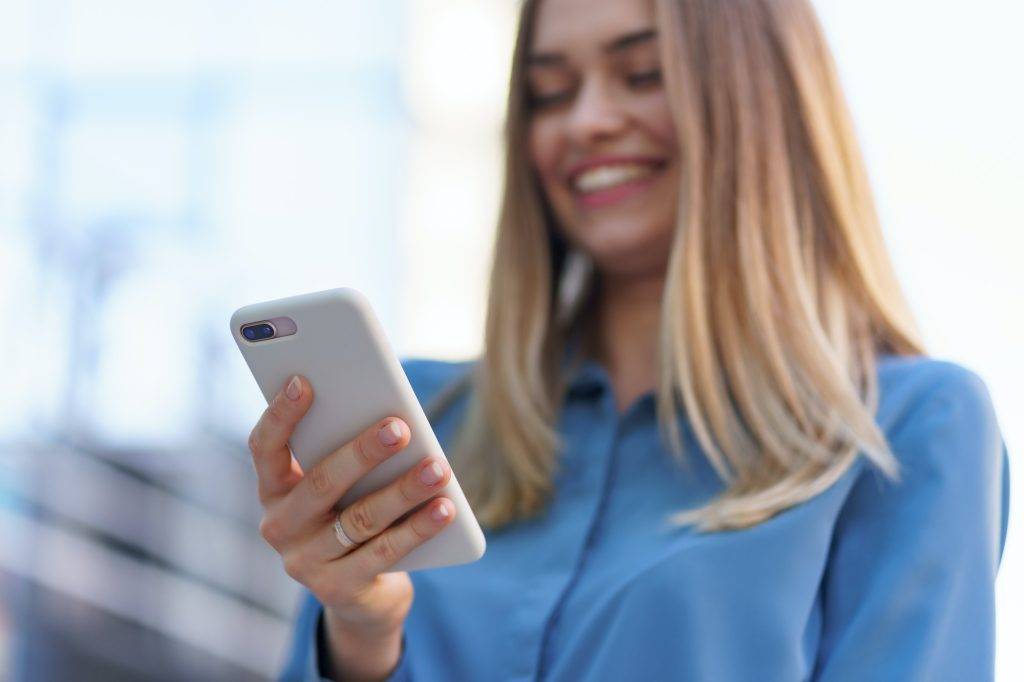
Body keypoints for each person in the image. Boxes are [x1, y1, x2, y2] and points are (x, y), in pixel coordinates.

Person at [249, 0, 1011, 679]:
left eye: (642, 73)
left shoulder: (913, 428)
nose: (585, 121)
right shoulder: (421, 427)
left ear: (763, 102)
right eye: (551, 92)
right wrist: (360, 638)